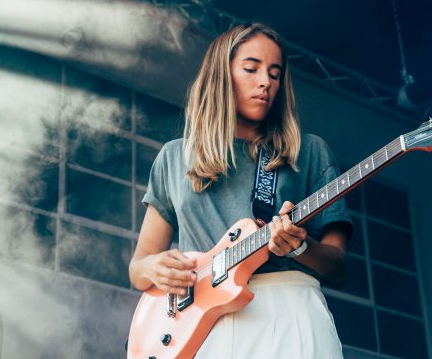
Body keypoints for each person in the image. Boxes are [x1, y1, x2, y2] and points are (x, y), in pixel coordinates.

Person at [129, 22, 353, 358]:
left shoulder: (309, 152)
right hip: (201, 324)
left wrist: (299, 247)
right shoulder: (174, 157)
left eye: (275, 74)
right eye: (252, 68)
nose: (266, 82)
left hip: (289, 312)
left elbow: (338, 268)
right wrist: (154, 268)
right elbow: (139, 266)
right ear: (221, 75)